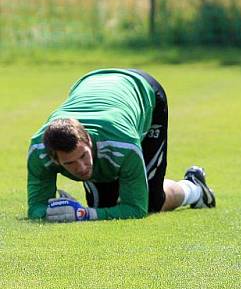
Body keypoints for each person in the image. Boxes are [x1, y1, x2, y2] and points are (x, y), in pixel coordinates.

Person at [27, 68, 216, 222]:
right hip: (89, 83)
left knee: (151, 202)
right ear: (53, 158)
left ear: (89, 141)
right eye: (70, 163)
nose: (82, 167)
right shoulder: (39, 151)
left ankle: (194, 188)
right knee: (104, 206)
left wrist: (84, 214)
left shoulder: (122, 144)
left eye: (84, 156)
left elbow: (136, 209)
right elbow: (36, 207)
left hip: (143, 90)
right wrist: (55, 211)